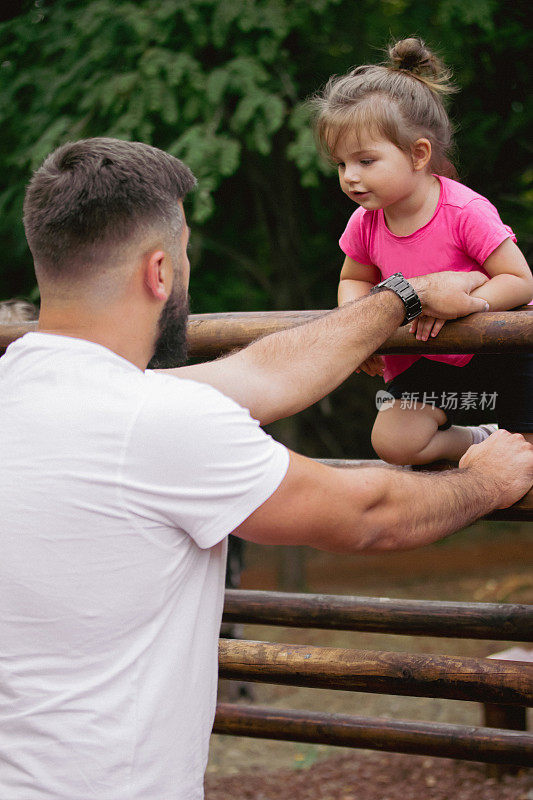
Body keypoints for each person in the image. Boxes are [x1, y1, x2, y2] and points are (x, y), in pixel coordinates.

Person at [1, 137, 532, 800]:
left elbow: (253, 373)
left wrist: (402, 295)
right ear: (160, 272)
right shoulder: (157, 421)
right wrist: (488, 478)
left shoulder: (26, 386)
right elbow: (368, 516)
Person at [313, 37, 533, 466]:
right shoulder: (365, 222)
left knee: (525, 458)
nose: (350, 177)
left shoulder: (464, 210)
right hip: (425, 362)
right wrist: (360, 329)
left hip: (502, 351)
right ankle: (479, 439)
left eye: (365, 161)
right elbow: (354, 279)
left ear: (418, 154)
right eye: (341, 164)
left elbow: (520, 280)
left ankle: (509, 440)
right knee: (395, 444)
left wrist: (474, 304)